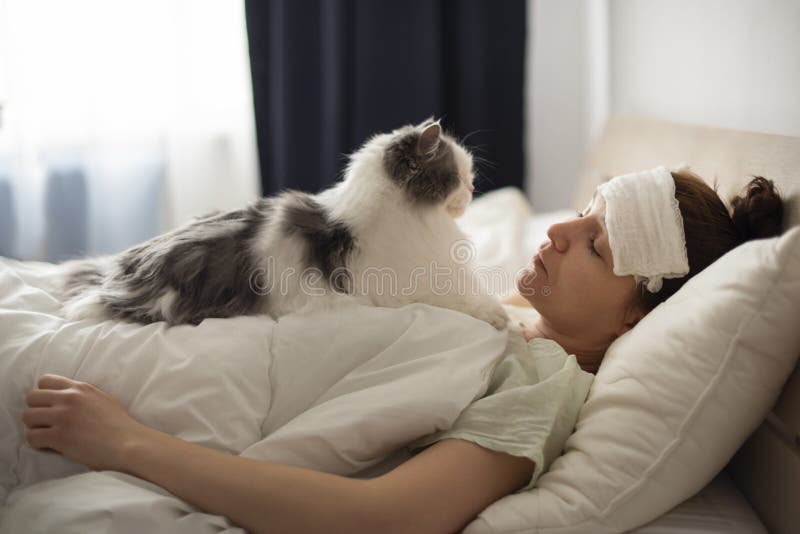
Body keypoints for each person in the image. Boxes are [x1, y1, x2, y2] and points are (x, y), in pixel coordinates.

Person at [20, 167, 784, 534]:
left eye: (597, 245)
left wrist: (127, 441)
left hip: (113, 410)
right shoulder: (498, 311)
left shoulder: (541, 386)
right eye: (578, 215)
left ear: (632, 322)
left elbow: (386, 517)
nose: (556, 233)